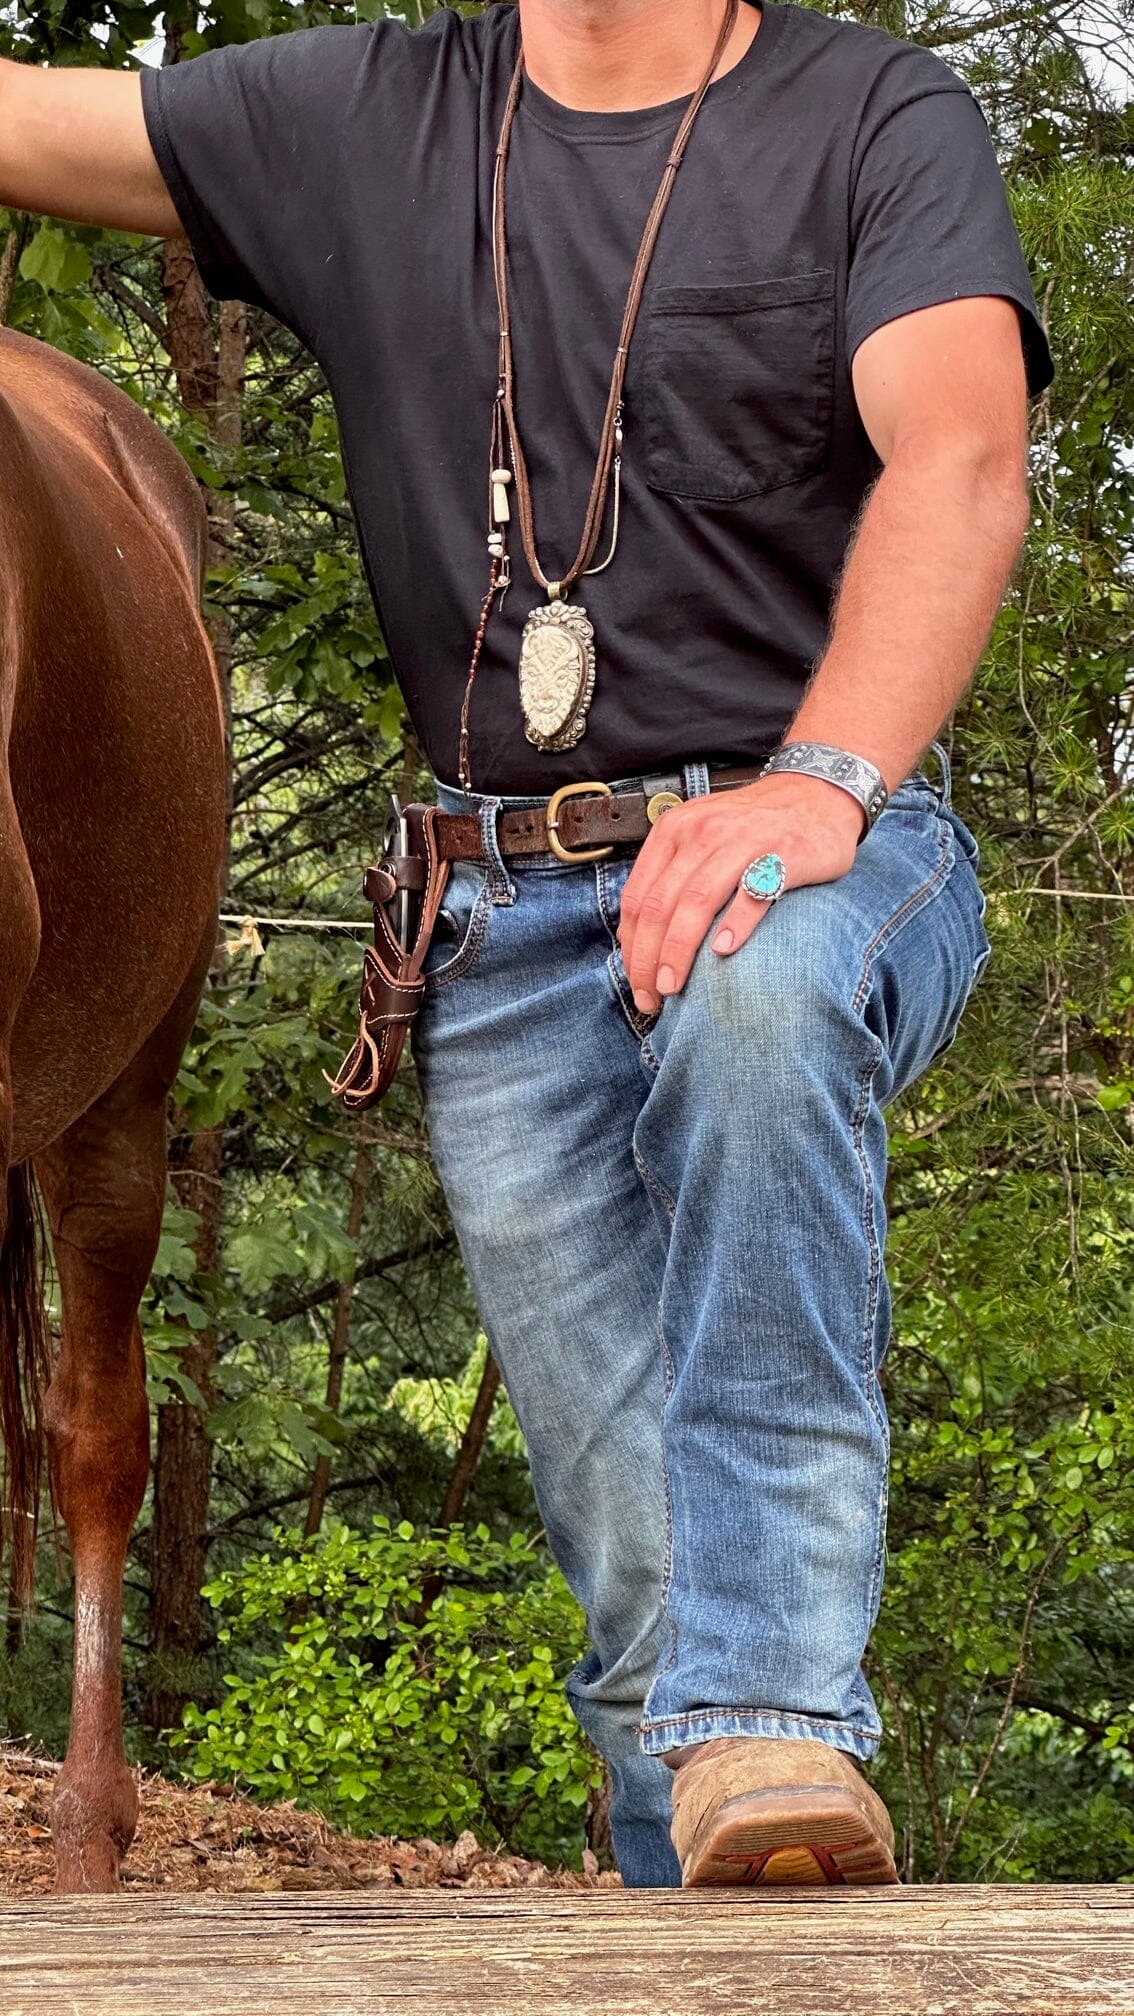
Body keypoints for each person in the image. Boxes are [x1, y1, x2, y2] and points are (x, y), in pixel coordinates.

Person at [0, 0, 1053, 1889]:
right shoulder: (364, 114)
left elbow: (961, 460)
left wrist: (815, 781)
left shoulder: (874, 119)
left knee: (759, 981)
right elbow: (20, 119)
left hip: (829, 836)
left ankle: (779, 1724)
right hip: (503, 911)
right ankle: (713, 1886)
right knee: (639, 1566)